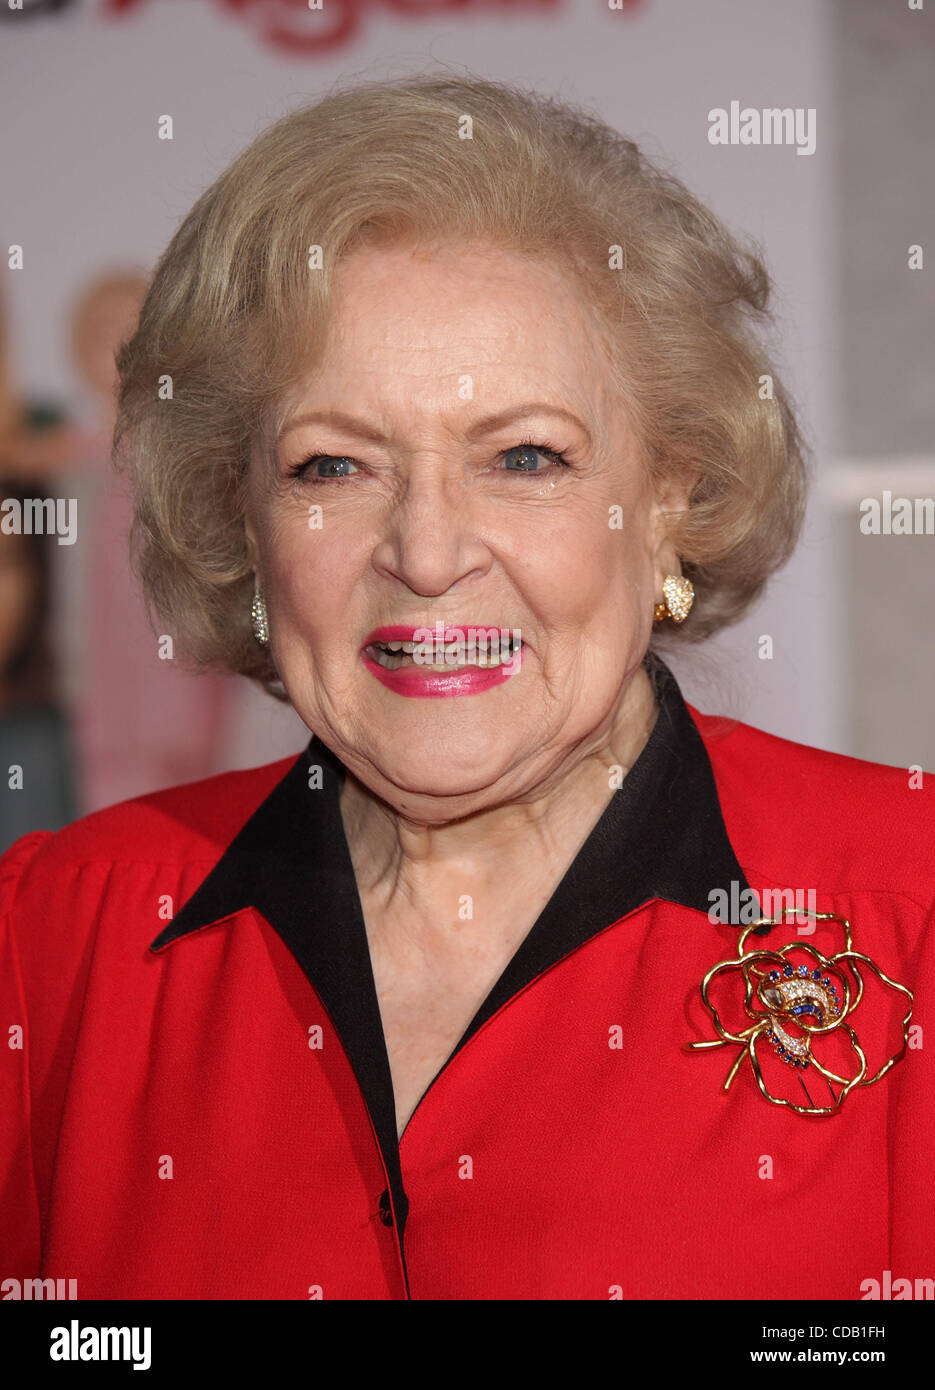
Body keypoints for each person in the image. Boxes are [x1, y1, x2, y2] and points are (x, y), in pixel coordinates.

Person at [0, 76, 931, 1301]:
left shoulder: (907, 904)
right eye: (331, 464)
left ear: (667, 505)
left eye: (524, 457)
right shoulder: (52, 941)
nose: (427, 554)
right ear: (244, 524)